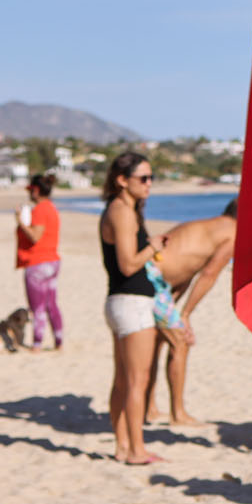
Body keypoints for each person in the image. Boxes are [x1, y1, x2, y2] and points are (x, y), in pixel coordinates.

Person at [99, 151, 170, 465]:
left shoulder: (118, 209)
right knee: (137, 381)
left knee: (123, 380)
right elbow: (128, 264)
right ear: (122, 180)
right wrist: (152, 247)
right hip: (132, 303)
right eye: (143, 178)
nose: (149, 183)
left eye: (151, 177)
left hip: (120, 301)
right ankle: (137, 450)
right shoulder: (122, 212)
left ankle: (123, 446)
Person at [144, 201, 238, 428]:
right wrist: (186, 314)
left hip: (151, 272)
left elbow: (187, 269)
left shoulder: (210, 226)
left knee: (158, 340)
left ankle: (149, 407)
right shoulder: (233, 233)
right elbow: (209, 274)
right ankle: (178, 414)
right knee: (180, 341)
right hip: (154, 278)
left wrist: (177, 307)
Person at [15, 172, 63, 350]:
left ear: (36, 190)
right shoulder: (51, 207)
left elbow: (35, 236)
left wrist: (20, 222)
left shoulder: (41, 210)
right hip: (52, 261)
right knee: (51, 304)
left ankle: (37, 343)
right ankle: (59, 340)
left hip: (38, 263)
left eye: (30, 190)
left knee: (38, 307)